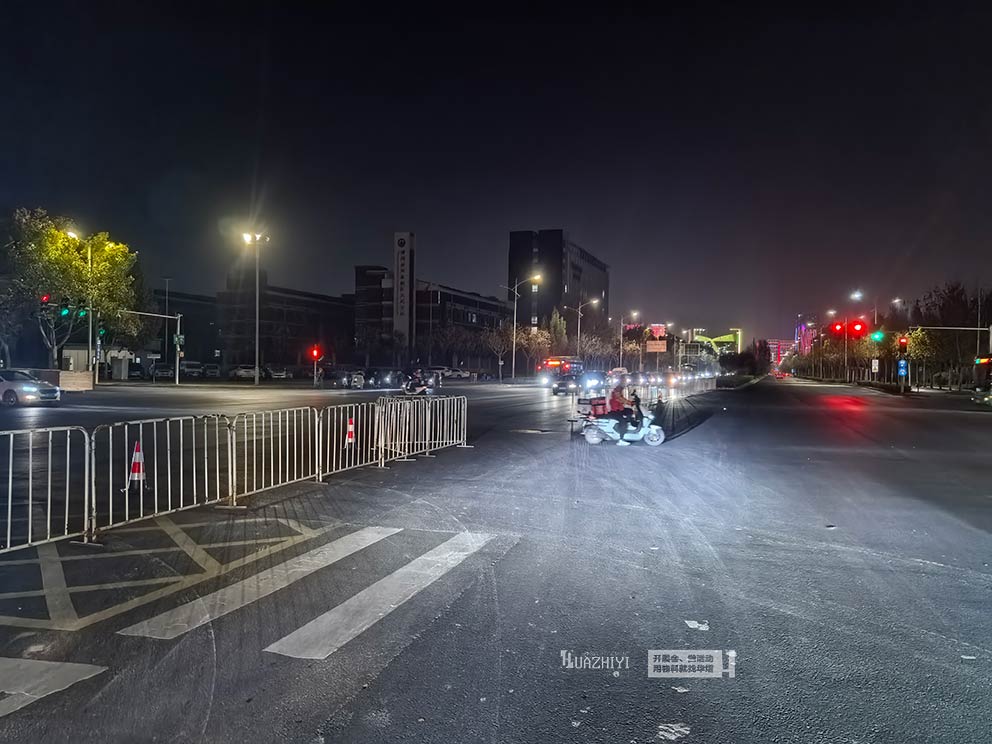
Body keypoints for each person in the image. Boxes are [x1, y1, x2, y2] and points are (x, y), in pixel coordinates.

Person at [607, 382, 635, 446]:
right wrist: (631, 403)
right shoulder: (616, 394)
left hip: (619, 410)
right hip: (615, 412)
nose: (622, 390)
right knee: (623, 421)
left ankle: (629, 423)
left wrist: (631, 402)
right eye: (621, 388)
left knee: (629, 411)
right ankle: (621, 439)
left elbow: (623, 400)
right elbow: (622, 400)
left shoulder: (617, 393)